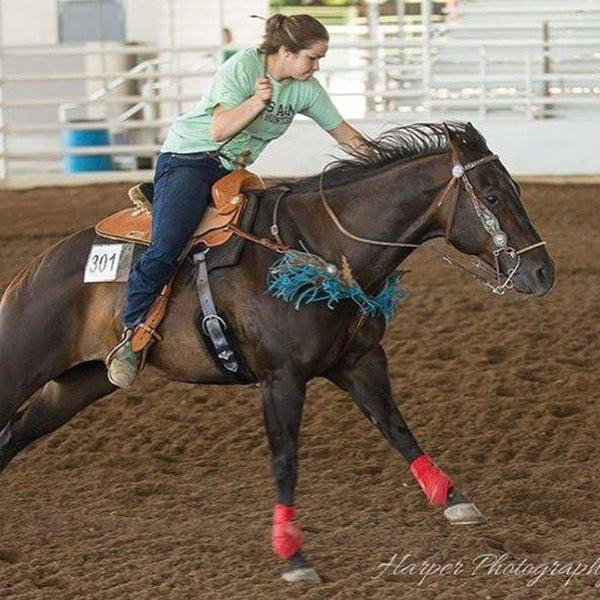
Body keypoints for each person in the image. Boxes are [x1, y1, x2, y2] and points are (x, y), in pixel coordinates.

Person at [106, 13, 369, 388]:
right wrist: (257, 102)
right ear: (285, 52)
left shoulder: (305, 89)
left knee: (264, 234)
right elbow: (218, 129)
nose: (317, 65)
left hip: (232, 173)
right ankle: (131, 337)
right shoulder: (244, 67)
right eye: (313, 57)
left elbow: (343, 132)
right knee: (166, 246)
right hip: (191, 160)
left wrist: (382, 160)